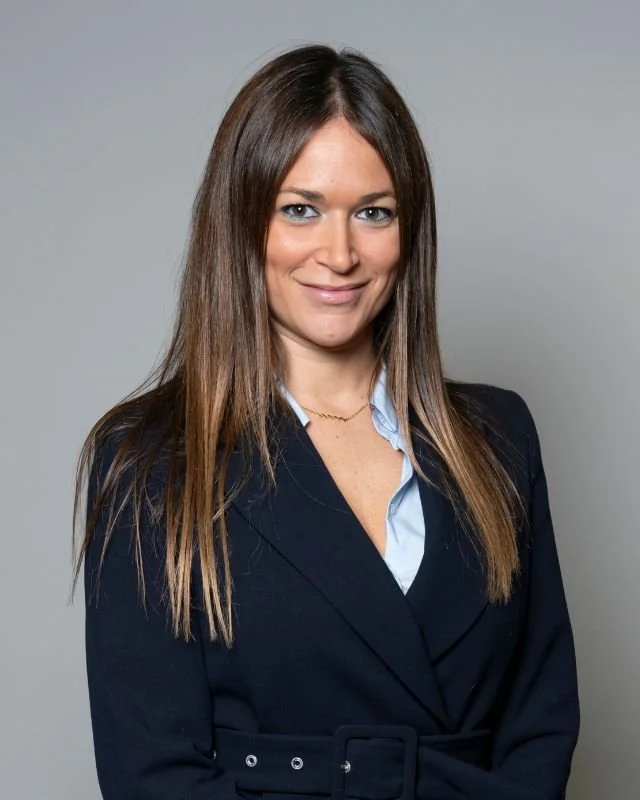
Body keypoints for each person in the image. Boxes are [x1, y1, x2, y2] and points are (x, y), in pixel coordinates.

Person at [72, 43, 580, 799]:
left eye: (373, 213)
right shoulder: (151, 459)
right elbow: (151, 771)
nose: (339, 254)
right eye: (300, 210)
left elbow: (542, 724)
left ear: (409, 232)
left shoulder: (499, 438)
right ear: (242, 223)